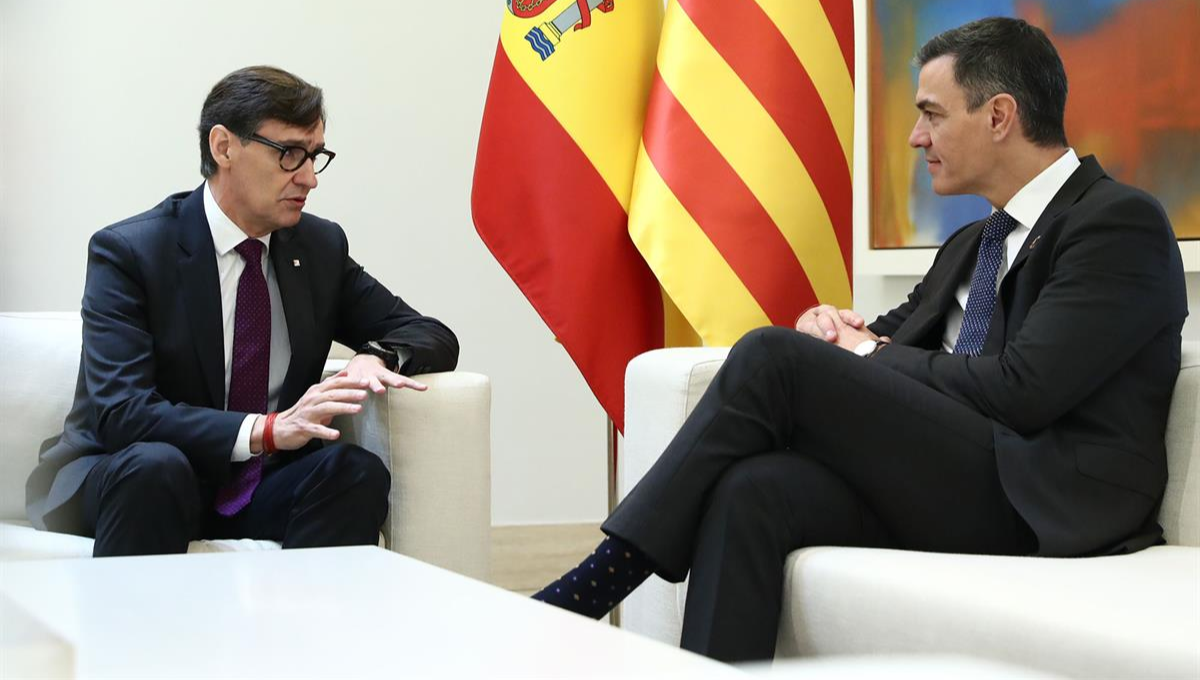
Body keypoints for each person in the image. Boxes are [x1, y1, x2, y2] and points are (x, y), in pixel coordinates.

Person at [532, 17, 1188, 662]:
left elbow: (1026, 390)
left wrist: (862, 355)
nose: (914, 136)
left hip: (1045, 498)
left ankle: (593, 588)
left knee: (770, 355)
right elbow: (886, 346)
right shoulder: (971, 243)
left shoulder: (1116, 222)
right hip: (959, 477)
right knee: (756, 488)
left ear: (998, 117)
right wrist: (841, 334)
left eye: (932, 113)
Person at [25, 66, 459, 557]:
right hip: (129, 473)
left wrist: (376, 356)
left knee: (353, 471)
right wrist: (268, 431)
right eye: (291, 154)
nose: (310, 178)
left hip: (255, 485)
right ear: (224, 147)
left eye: (315, 156)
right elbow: (123, 413)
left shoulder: (317, 247)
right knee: (156, 467)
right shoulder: (131, 252)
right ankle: (138, 634)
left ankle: (304, 631)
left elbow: (429, 333)